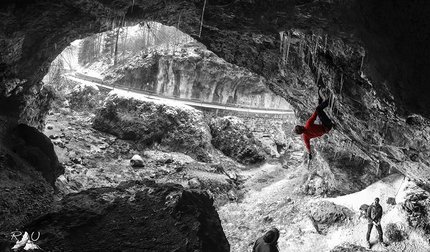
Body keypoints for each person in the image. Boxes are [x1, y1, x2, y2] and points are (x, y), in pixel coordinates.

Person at [293, 88, 333, 161]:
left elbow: (308, 146)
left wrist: (310, 154)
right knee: (318, 110)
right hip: (327, 124)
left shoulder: (305, 136)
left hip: (327, 129)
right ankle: (330, 99)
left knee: (318, 121)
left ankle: (322, 101)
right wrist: (319, 103)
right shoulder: (308, 124)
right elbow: (316, 112)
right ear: (301, 126)